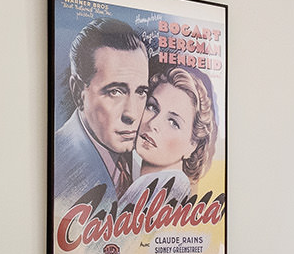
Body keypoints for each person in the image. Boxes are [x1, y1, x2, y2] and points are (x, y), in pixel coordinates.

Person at [52, 17, 149, 214]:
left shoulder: (144, 162)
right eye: (115, 91)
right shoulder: (58, 164)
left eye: (141, 92)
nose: (132, 114)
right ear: (79, 91)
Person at [113, 64, 219, 221]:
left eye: (173, 122)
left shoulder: (167, 186)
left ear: (192, 145)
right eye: (152, 107)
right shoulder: (134, 181)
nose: (154, 123)